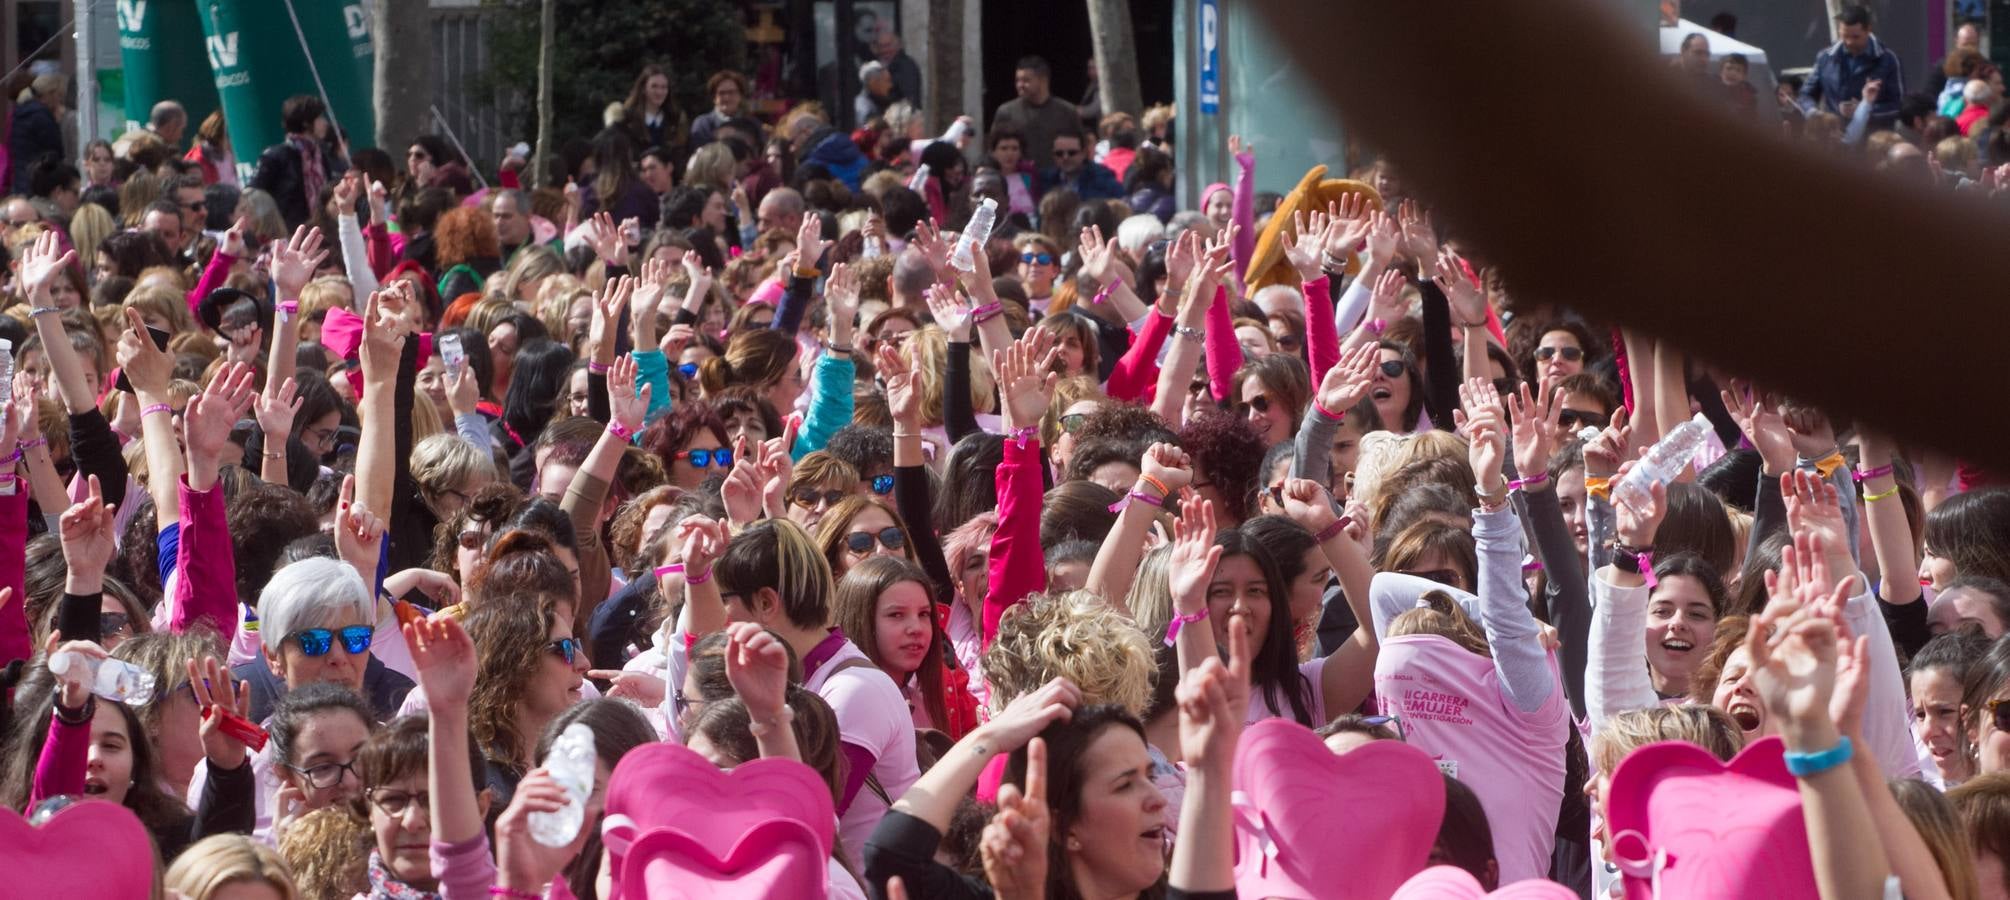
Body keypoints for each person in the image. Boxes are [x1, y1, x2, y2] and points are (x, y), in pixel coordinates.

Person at [1799, 5, 1905, 132]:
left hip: (1872, 140)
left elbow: (1899, 106)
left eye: (1855, 37)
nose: (1849, 42)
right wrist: (1815, 114)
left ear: (1868, 30)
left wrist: (1863, 110)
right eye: (1844, 36)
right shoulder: (1825, 58)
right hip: (1833, 138)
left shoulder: (1888, 60)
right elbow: (1805, 95)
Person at [251, 95, 342, 230]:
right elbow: (254, 195)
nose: (325, 123)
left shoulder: (320, 154)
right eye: (320, 118)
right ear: (306, 123)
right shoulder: (276, 156)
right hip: (291, 235)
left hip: (323, 231)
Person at [993, 56, 1083, 171]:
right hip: (1021, 179)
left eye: (1026, 80)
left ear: (1043, 80)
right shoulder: (1006, 112)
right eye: (1017, 80)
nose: (1020, 85)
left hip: (1058, 179)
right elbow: (994, 149)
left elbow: (1081, 147)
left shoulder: (1067, 111)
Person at [857, 61, 895, 127]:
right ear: (873, 82)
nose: (890, 85)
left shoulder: (881, 101)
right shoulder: (865, 107)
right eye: (887, 80)